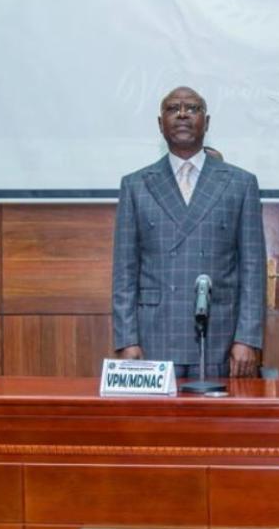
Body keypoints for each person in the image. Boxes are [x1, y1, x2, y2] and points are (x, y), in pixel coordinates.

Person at [112, 86, 266, 378]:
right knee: (156, 425)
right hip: (153, 337)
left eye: (192, 108)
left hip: (220, 336)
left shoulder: (240, 183)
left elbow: (253, 269)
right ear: (160, 124)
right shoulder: (135, 185)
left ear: (206, 122)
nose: (182, 114)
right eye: (172, 108)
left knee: (220, 424)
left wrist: (247, 338)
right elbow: (124, 272)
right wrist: (126, 339)